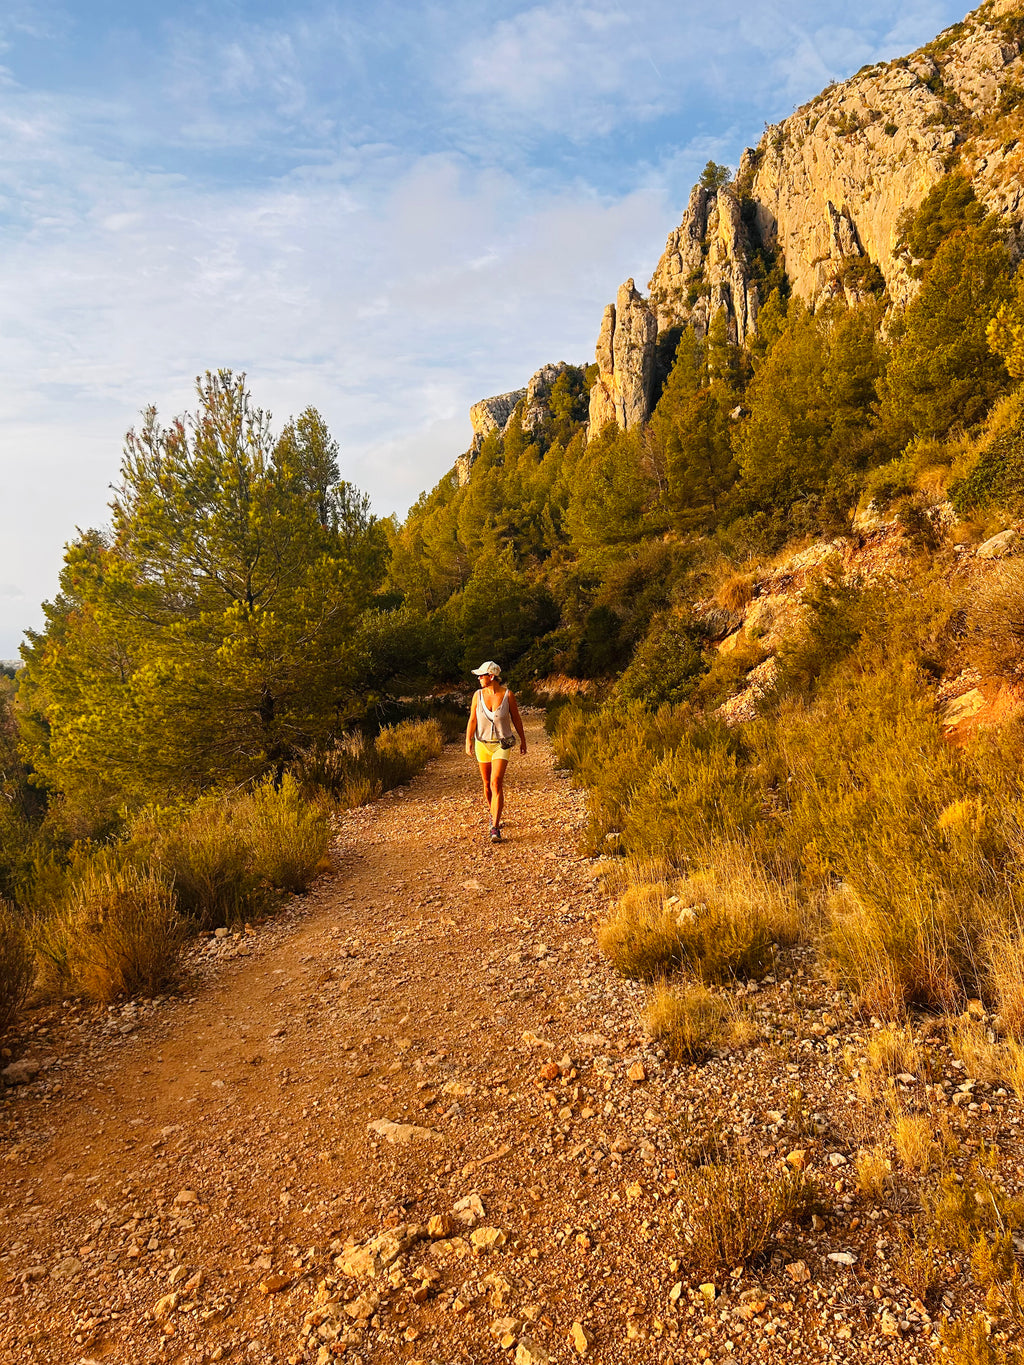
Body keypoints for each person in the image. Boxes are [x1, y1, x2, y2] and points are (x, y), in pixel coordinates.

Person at [465, 661, 527, 843]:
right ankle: (493, 813)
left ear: (491, 677)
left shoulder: (508, 695)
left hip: (502, 744)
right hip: (482, 744)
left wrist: (523, 740)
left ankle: (495, 827)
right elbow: (472, 720)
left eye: (481, 675)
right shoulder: (477, 695)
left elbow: (516, 718)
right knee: (486, 784)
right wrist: (468, 741)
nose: (479, 678)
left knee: (496, 782)